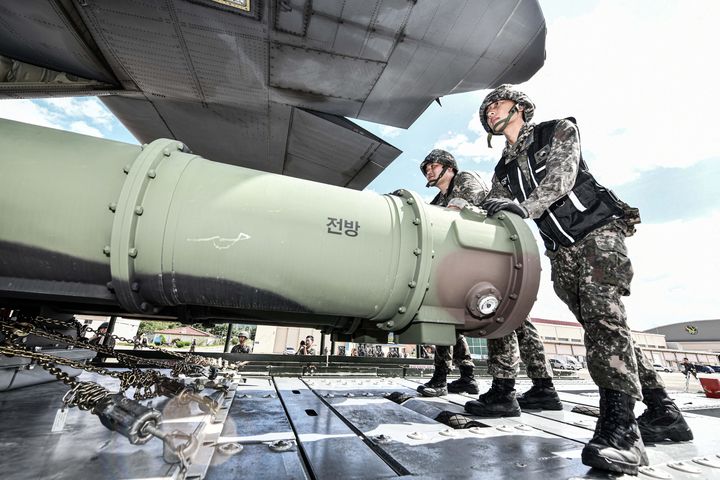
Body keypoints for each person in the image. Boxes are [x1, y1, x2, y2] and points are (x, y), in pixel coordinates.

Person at [477, 85, 692, 475]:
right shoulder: (502, 171)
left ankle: (621, 432)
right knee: (604, 327)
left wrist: (521, 207)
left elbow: (560, 180)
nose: (491, 111)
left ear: (520, 106)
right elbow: (491, 208)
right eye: (486, 109)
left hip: (598, 234)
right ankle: (664, 411)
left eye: (497, 103)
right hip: (561, 253)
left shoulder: (557, 131)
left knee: (603, 318)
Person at [417, 149, 562, 417]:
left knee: (516, 323)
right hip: (473, 262)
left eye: (433, 165)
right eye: (425, 167)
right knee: (456, 319)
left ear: (449, 167)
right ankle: (540, 387)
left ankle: (543, 386)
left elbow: (465, 213)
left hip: (496, 258)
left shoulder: (465, 180)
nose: (428, 171)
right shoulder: (440, 197)